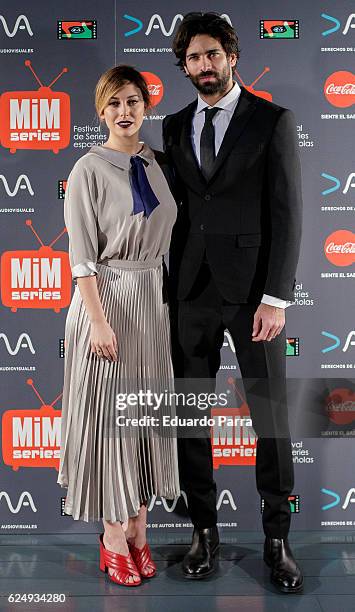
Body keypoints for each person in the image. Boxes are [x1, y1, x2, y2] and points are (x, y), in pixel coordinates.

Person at [163, 12, 303, 592]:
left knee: (269, 418)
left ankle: (277, 539)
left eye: (211, 55)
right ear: (185, 67)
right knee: (191, 420)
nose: (203, 67)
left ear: (231, 56)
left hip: (253, 298)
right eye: (192, 59)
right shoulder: (172, 126)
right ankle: (203, 532)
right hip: (189, 292)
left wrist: (276, 297)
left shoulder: (271, 120)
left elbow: (289, 214)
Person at [57, 65, 180, 587]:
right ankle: (111, 538)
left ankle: (138, 530)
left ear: (145, 106)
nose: (125, 112)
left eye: (133, 101)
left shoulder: (157, 163)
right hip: (106, 304)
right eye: (114, 104)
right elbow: (81, 258)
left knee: (143, 421)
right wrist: (100, 323)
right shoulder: (87, 169)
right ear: (101, 111)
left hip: (152, 303)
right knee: (110, 424)